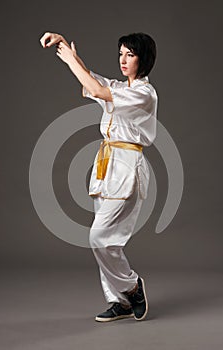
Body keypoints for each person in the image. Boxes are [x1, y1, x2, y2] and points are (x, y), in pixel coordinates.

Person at [40, 31, 158, 322]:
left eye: (130, 54)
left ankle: (131, 286)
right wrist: (65, 46)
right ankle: (120, 301)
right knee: (108, 242)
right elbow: (90, 80)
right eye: (120, 53)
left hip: (127, 165)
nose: (123, 60)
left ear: (143, 59)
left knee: (99, 237)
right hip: (106, 165)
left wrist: (70, 61)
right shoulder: (119, 85)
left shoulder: (143, 93)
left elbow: (96, 87)